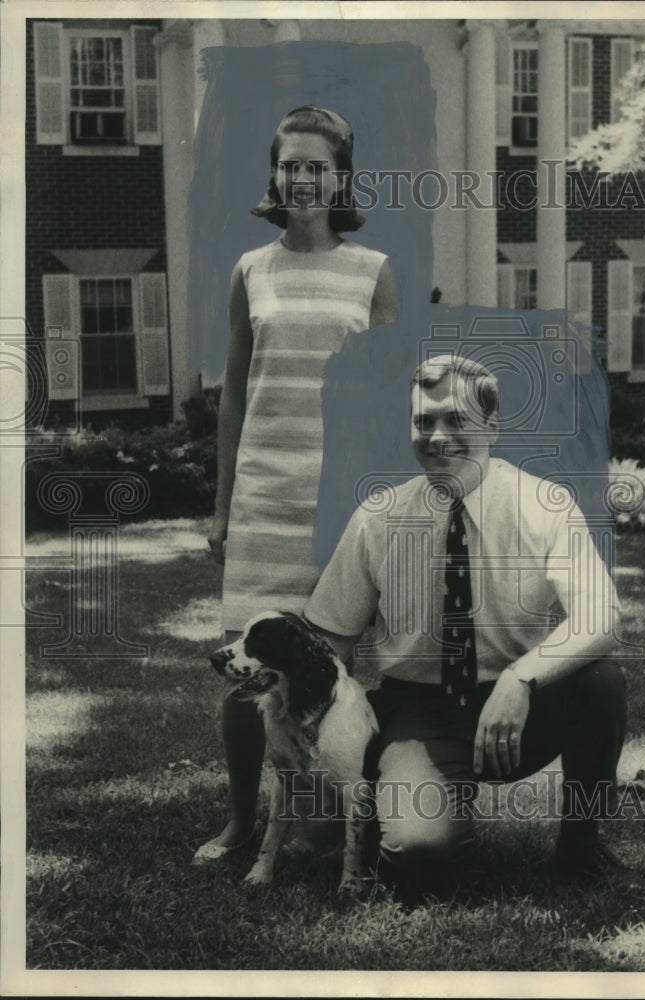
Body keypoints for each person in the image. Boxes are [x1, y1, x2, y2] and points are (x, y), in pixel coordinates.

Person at [303, 354, 628, 891]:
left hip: (523, 708)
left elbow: (603, 616)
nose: (437, 436)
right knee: (418, 855)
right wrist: (326, 754)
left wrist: (521, 677)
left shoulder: (544, 506)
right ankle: (421, 810)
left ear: (493, 425)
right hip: (420, 710)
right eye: (423, 421)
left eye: (457, 419)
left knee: (601, 682)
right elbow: (331, 641)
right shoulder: (379, 517)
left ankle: (580, 851)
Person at [193, 105, 397, 863]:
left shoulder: (372, 272)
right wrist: (221, 508)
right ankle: (244, 821)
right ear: (273, 175)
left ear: (339, 177)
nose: (302, 177)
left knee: (347, 671)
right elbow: (236, 395)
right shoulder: (251, 269)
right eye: (290, 164)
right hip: (263, 502)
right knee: (245, 676)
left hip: (343, 508)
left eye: (317, 165)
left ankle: (352, 824)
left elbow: (384, 402)